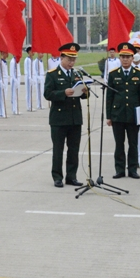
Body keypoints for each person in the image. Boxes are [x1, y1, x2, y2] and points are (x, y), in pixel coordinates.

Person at [43, 43, 86, 187]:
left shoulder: (77, 74)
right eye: (69, 59)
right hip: (59, 118)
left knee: (74, 149)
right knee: (58, 149)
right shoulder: (53, 74)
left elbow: (82, 95)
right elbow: (47, 94)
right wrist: (63, 93)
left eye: (74, 60)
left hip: (75, 118)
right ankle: (57, 177)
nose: (71, 63)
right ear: (61, 58)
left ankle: (71, 176)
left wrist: (84, 92)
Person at [106, 42, 140, 179]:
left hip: (133, 114)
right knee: (119, 144)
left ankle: (132, 169)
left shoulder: (139, 74)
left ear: (132, 58)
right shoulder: (113, 74)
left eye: (128, 57)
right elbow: (109, 97)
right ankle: (119, 169)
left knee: (133, 143)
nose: (125, 59)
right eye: (123, 57)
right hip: (117, 114)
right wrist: (108, 116)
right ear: (120, 58)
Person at [24, 48, 38, 112]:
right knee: (28, 92)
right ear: (29, 52)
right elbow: (28, 70)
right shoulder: (27, 60)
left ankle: (30, 105)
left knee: (31, 92)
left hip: (32, 76)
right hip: (28, 77)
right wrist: (30, 78)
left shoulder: (32, 60)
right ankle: (28, 106)